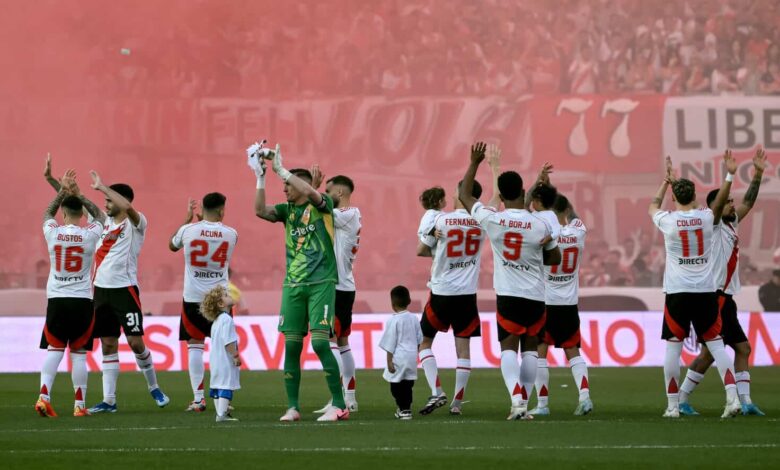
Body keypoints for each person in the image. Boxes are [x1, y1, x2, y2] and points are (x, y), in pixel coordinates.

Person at [43, 156, 169, 414]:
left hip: (125, 290)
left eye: (110, 201)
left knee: (135, 342)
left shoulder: (136, 223)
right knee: (108, 343)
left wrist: (102, 187)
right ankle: (109, 400)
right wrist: (58, 184)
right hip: (100, 291)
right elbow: (72, 208)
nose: (106, 204)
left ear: (122, 202)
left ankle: (154, 386)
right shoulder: (102, 224)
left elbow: (126, 208)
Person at [459, 142, 561, 420]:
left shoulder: (494, 220)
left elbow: (464, 195)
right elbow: (554, 260)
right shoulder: (540, 224)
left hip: (508, 294)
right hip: (536, 296)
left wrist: (475, 162)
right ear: (523, 192)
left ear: (501, 195)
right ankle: (523, 405)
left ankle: (516, 400)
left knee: (507, 349)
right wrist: (547, 245)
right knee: (530, 351)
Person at [248, 141, 347, 422]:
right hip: (292, 285)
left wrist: (281, 168)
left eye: (288, 185)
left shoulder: (323, 205)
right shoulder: (286, 211)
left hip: (321, 283)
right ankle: (292, 407)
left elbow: (310, 192)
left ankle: (339, 405)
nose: (285, 189)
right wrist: (261, 176)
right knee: (291, 346)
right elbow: (258, 210)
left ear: (302, 186)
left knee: (319, 344)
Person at [649, 153, 741, 419]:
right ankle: (732, 399)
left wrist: (666, 182)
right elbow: (721, 199)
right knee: (716, 345)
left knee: (673, 347)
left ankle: (672, 406)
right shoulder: (706, 217)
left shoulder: (667, 220)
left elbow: (653, 206)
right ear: (696, 197)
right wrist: (729, 175)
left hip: (677, 292)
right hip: (705, 291)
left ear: (675, 198)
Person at [679, 147, 768, 416]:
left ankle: (745, 401)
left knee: (737, 349)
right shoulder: (713, 223)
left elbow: (749, 203)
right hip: (713, 297)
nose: (733, 204)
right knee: (715, 352)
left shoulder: (732, 224)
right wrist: (728, 176)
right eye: (728, 202)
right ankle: (684, 399)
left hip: (725, 298)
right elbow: (720, 207)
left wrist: (758, 174)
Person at [37, 169, 106, 417]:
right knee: (78, 353)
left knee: (54, 350)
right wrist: (80, 194)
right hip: (82, 301)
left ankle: (44, 397)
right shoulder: (90, 235)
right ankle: (79, 405)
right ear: (80, 215)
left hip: (57, 299)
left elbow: (47, 214)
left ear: (63, 214)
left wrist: (63, 193)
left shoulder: (53, 232)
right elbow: (99, 216)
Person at [415, 175, 485, 416]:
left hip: (442, 291)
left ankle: (437, 390)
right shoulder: (482, 219)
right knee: (463, 349)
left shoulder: (441, 219)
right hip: (467, 294)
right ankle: (456, 403)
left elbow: (421, 250)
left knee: (423, 342)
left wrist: (437, 248)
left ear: (460, 194)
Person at [170, 193, 238, 412]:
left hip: (193, 297)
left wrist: (188, 220)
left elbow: (172, 245)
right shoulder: (231, 234)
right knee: (226, 347)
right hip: (220, 299)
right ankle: (224, 400)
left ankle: (199, 398)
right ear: (221, 210)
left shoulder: (188, 230)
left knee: (195, 345)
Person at [530, 194, 592, 416]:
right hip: (569, 303)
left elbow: (527, 214)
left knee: (540, 352)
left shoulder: (543, 235)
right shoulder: (578, 232)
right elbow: (573, 216)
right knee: (573, 351)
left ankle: (543, 404)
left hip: (546, 303)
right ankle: (585, 397)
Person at [310, 170, 362, 414]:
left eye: (330, 191)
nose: (327, 196)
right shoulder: (344, 217)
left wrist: (311, 187)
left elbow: (318, 205)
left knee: (331, 340)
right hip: (344, 285)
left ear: (340, 193)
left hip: (338, 286)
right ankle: (348, 397)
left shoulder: (349, 213)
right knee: (342, 341)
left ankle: (339, 398)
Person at [379, 285, 423, 420]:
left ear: (392, 304)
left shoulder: (393, 320)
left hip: (399, 357)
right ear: (409, 301)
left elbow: (389, 343)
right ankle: (407, 408)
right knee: (408, 384)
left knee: (395, 384)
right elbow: (419, 339)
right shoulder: (414, 318)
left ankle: (403, 409)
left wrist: (389, 361)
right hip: (411, 357)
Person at [199, 285, 241, 422]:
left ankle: (219, 413)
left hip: (215, 361)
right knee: (226, 385)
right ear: (221, 304)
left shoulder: (216, 322)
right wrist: (235, 356)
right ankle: (222, 415)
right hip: (224, 360)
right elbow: (228, 342)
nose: (230, 296)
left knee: (217, 386)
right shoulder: (227, 319)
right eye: (226, 295)